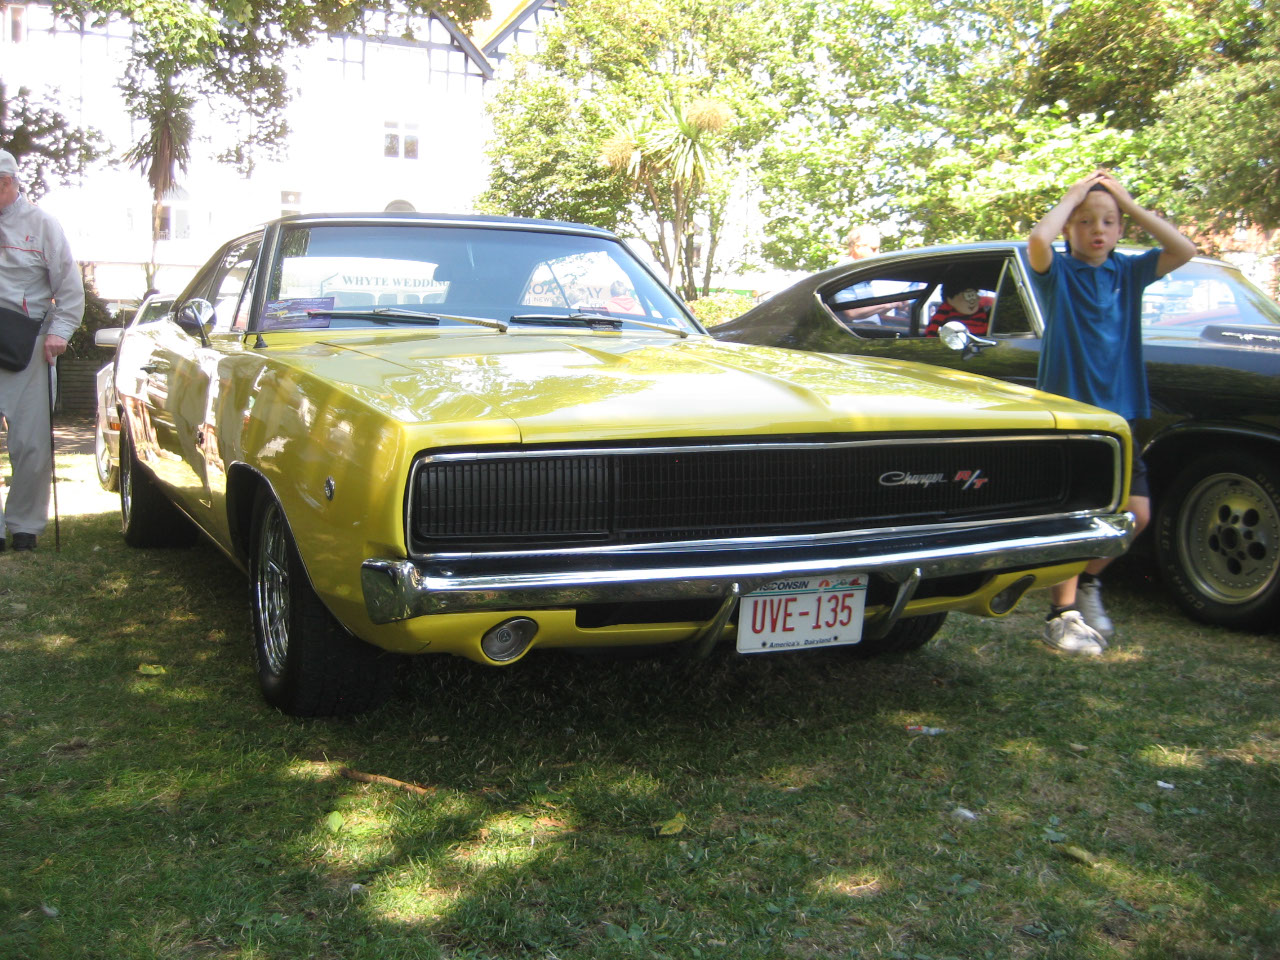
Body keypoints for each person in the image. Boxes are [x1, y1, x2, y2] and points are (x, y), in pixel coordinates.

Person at [1028, 168, 1196, 654]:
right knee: (1079, 512)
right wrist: (1074, 194)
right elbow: (1039, 238)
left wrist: (1128, 201)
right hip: (1074, 415)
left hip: (1120, 415)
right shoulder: (1057, 273)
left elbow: (1184, 249)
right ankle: (1062, 615)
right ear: (1069, 230)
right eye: (1083, 221)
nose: (1097, 229)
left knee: (1136, 515)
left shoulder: (1129, 271)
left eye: (1108, 221)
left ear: (1121, 230)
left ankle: (1088, 582)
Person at [0, 148, 84, 552]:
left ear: (12, 182)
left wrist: (60, 332)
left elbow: (68, 285)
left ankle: (24, 526)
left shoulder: (43, 225)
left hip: (27, 342)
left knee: (30, 442)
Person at [924, 282, 992, 336]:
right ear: (950, 299)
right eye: (968, 296)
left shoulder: (980, 312)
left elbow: (987, 328)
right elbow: (932, 330)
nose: (974, 300)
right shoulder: (945, 311)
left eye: (974, 295)